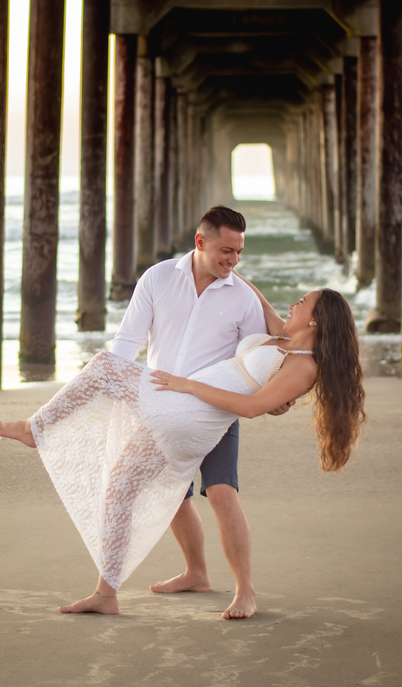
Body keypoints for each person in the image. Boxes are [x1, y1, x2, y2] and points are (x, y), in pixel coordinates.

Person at [0, 286, 366, 617]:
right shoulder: (283, 339)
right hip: (182, 409)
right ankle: (106, 594)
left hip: (187, 406)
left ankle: (35, 428)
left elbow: (253, 407)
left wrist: (188, 386)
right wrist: (231, 269)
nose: (293, 305)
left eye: (302, 302)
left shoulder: (303, 364)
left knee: (104, 367)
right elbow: (255, 296)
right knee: (120, 486)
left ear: (316, 321)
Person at [110, 205, 275, 620]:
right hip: (161, 408)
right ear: (200, 242)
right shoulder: (159, 278)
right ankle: (196, 573)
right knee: (171, 496)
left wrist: (275, 396)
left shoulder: (241, 297)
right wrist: (111, 386)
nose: (233, 261)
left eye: (238, 252)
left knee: (222, 492)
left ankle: (245, 591)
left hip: (215, 411)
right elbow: (128, 340)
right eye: (226, 250)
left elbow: (255, 355)